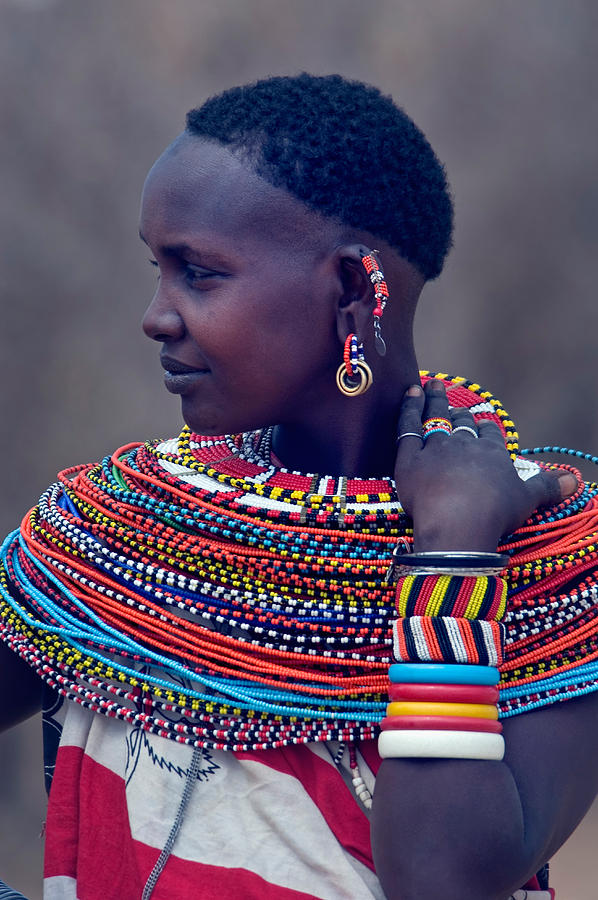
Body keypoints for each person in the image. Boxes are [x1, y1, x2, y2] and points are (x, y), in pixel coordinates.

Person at [1, 73, 598, 900]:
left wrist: (454, 550)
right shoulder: (116, 536)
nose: (155, 315)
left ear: (355, 289)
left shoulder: (550, 567)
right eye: (157, 269)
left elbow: (444, 882)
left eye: (199, 274)